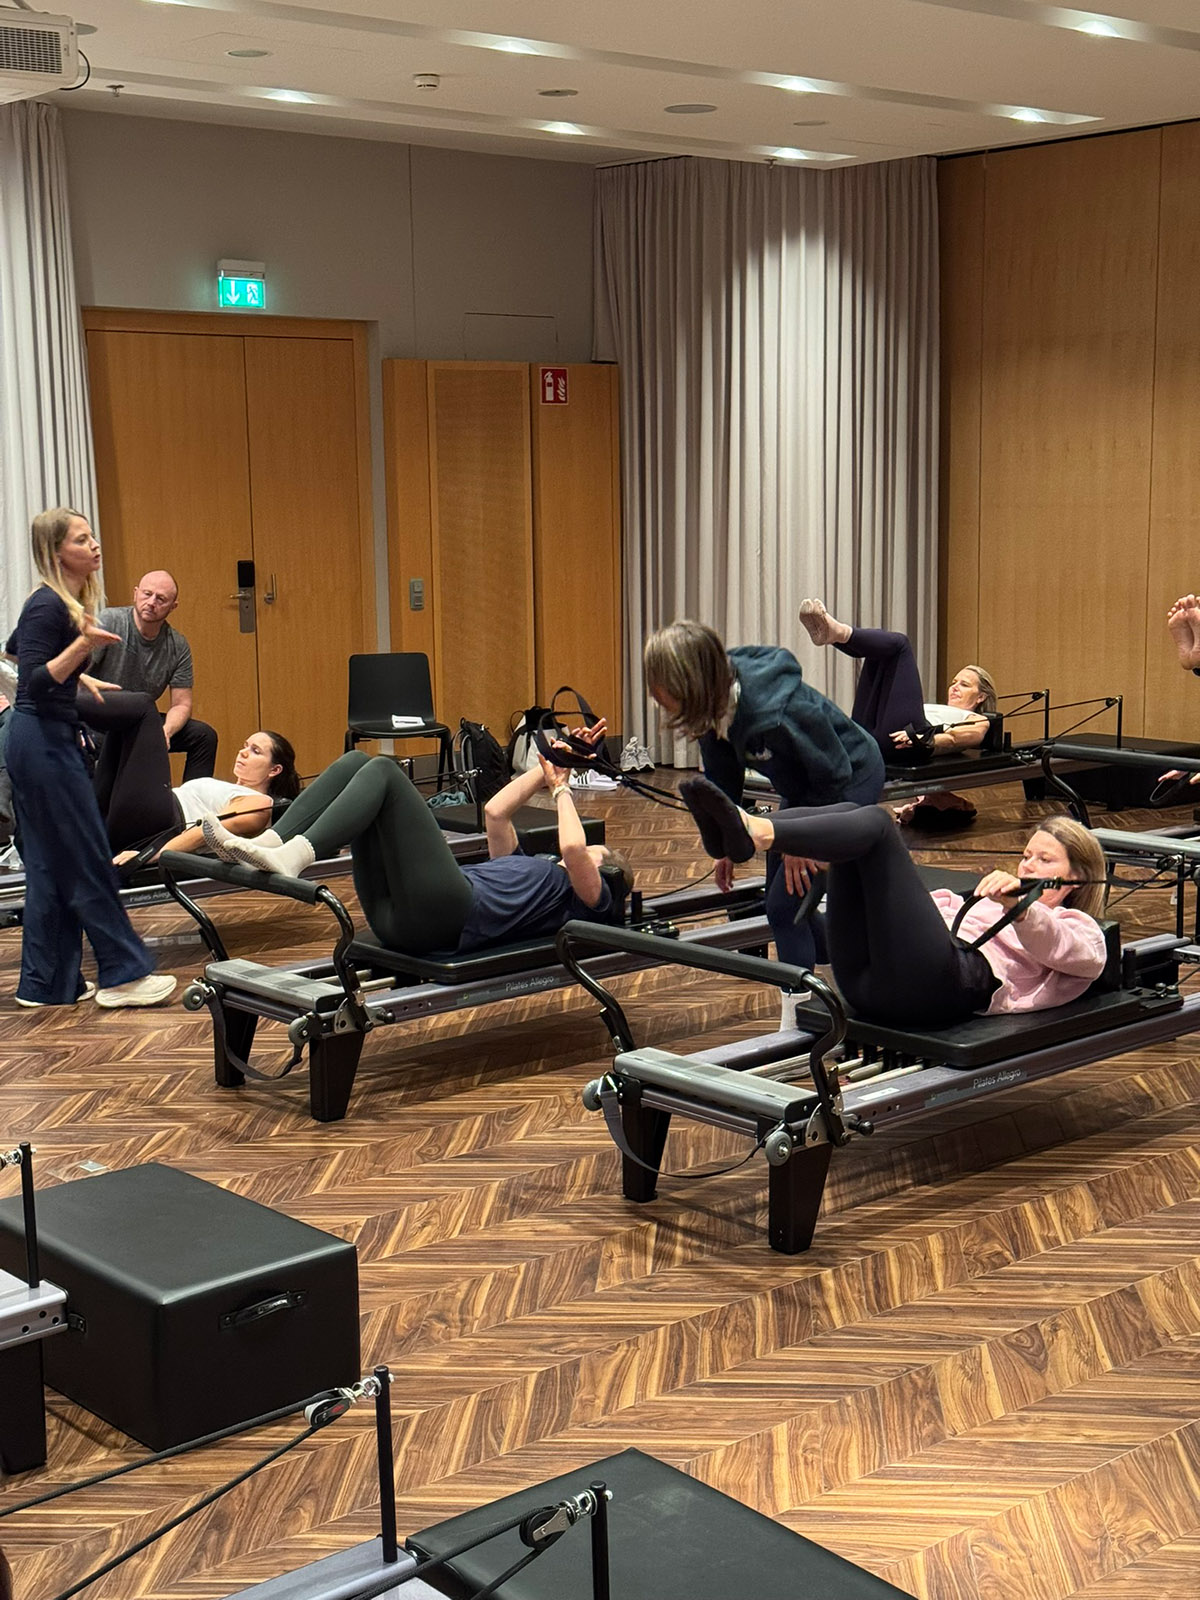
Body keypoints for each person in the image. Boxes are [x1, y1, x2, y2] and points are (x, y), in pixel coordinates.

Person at [678, 774, 1108, 1026]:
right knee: (850, 816)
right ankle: (742, 829)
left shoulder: (1081, 929)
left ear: (1075, 877)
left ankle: (757, 832)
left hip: (939, 988)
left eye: (1044, 859)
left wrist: (1022, 908)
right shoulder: (988, 900)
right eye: (1026, 855)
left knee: (879, 825)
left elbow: (1069, 951)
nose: (1028, 865)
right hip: (866, 985)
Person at [199, 720, 631, 957]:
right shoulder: (528, 866)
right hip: (398, 917)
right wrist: (557, 760)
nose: (583, 852)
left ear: (603, 869)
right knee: (356, 761)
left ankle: (293, 857)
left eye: (597, 853)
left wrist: (561, 790)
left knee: (385, 772)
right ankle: (275, 842)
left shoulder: (589, 899)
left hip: (448, 914)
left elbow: (573, 847)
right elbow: (496, 812)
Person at [4, 508, 176, 1009]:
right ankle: (122, 974)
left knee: (50, 865)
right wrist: (82, 647)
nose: (94, 545)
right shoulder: (48, 605)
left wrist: (81, 676)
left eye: (92, 536)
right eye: (81, 539)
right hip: (44, 743)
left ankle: (46, 983)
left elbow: (14, 652)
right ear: (57, 552)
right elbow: (35, 680)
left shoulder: (60, 601)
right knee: (86, 858)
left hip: (40, 740)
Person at [643, 619, 885, 971]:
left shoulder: (776, 712)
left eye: (660, 686)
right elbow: (722, 777)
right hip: (803, 786)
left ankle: (803, 1000)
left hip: (850, 777)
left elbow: (833, 772)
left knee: (784, 908)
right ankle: (847, 962)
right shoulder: (713, 703)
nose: (655, 696)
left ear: (688, 682)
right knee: (786, 897)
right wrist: (726, 842)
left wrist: (805, 842)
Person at [798, 599, 998, 830]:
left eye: (964, 684)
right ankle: (832, 635)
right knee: (880, 652)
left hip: (905, 742)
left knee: (900, 644)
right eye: (954, 682)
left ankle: (837, 633)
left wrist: (927, 739)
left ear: (981, 696)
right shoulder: (938, 708)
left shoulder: (977, 718)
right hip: (873, 737)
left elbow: (968, 736)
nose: (954, 687)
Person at [79, 693, 300, 862]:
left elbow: (207, 831)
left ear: (274, 770)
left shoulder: (260, 803)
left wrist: (150, 856)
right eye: (245, 746)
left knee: (144, 708)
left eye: (255, 751)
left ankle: (62, 701)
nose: (243, 752)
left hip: (159, 825)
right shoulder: (230, 789)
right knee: (123, 720)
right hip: (132, 817)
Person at [87, 570, 217, 780]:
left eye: (161, 599)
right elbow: (76, 675)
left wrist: (166, 731)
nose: (151, 602)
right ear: (135, 594)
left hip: (138, 721)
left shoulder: (177, 645)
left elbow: (182, 704)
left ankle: (192, 798)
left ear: (173, 606)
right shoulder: (110, 621)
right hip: (97, 716)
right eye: (147, 594)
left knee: (204, 736)